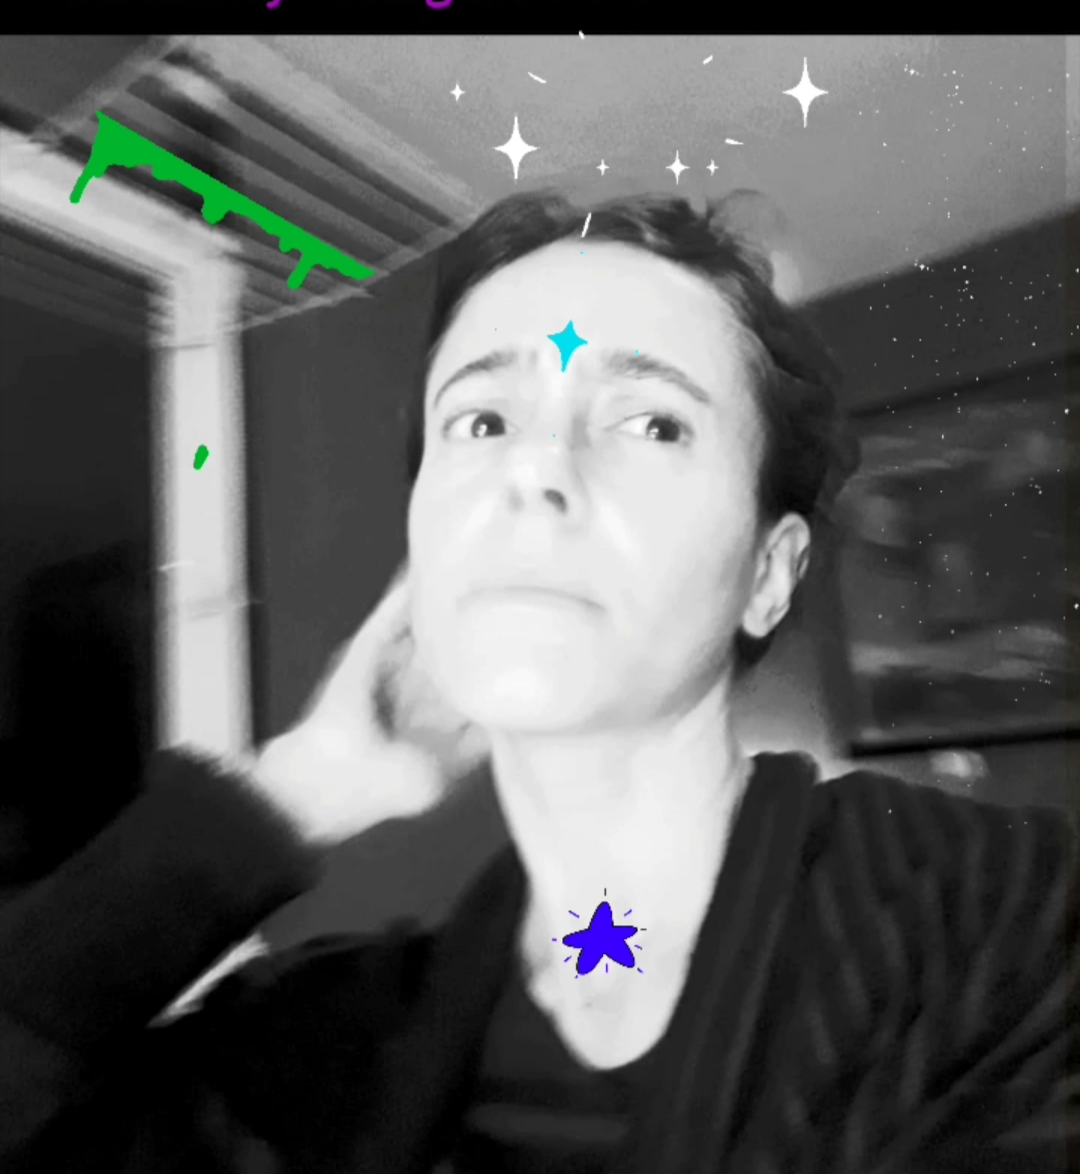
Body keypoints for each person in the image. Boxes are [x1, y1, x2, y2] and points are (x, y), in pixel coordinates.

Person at [0, 190, 1076, 1173]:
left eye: (652, 422)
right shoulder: (312, 1045)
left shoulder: (1015, 919)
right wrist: (289, 797)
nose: (534, 467)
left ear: (768, 572)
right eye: (483, 421)